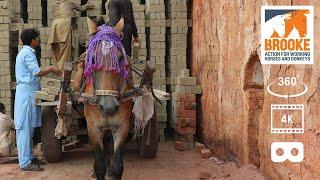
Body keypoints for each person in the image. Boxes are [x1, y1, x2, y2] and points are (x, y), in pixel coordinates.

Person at [15, 28, 61, 171]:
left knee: (29, 129)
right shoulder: (28, 53)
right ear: (33, 40)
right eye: (37, 38)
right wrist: (52, 68)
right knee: (24, 128)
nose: (39, 40)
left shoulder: (25, 52)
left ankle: (29, 157)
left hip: (29, 93)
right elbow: (37, 72)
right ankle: (25, 163)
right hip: (26, 94)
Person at [48, 0, 94, 70]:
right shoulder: (70, 3)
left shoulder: (55, 5)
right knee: (65, 52)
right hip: (64, 26)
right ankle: (62, 73)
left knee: (57, 53)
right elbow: (82, 8)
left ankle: (57, 70)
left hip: (55, 26)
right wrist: (88, 5)